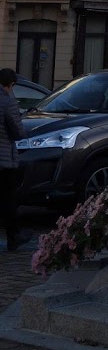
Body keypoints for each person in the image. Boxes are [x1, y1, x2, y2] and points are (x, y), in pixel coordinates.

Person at [0, 68, 25, 251]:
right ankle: (14, 236)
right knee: (9, 197)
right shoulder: (8, 102)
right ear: (11, 85)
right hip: (4, 158)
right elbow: (17, 133)